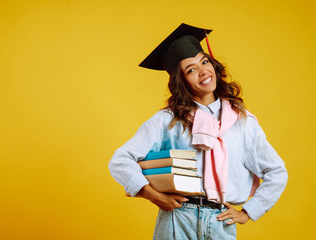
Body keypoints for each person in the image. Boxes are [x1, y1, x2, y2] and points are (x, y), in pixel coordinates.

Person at [109, 23, 288, 240]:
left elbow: (277, 172)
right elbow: (120, 160)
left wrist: (248, 212)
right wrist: (152, 195)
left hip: (220, 221)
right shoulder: (169, 120)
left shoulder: (242, 121)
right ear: (181, 81)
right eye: (191, 69)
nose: (203, 71)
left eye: (204, 62)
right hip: (178, 218)